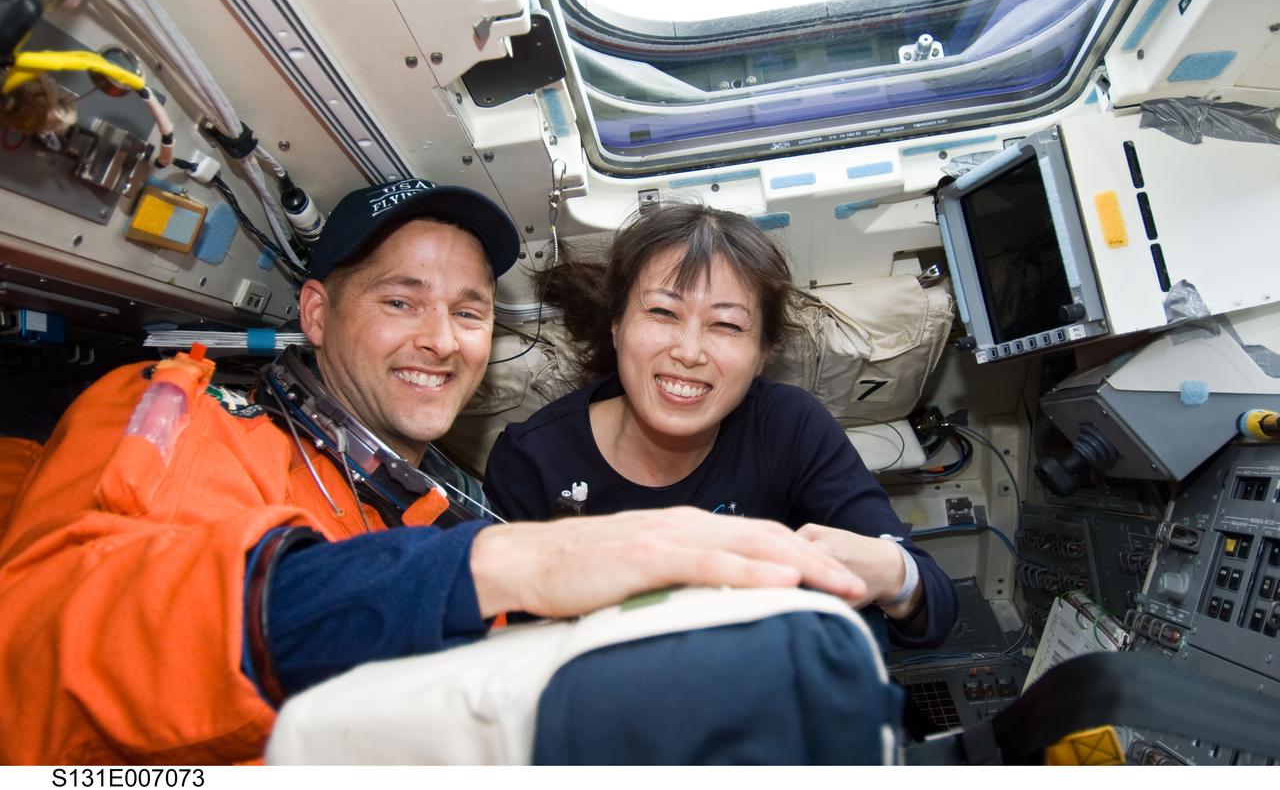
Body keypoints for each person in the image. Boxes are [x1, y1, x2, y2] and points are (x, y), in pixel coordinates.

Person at [0, 180, 870, 765]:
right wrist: (514, 564)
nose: (442, 339)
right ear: (315, 311)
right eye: (400, 301)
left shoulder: (437, 503)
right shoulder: (184, 416)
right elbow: (43, 647)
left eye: (469, 311)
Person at [484, 203, 958, 648]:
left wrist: (894, 575)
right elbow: (510, 656)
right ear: (616, 325)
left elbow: (934, 609)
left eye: (727, 326)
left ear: (762, 355)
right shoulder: (532, 461)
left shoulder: (789, 426)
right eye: (663, 313)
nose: (689, 352)